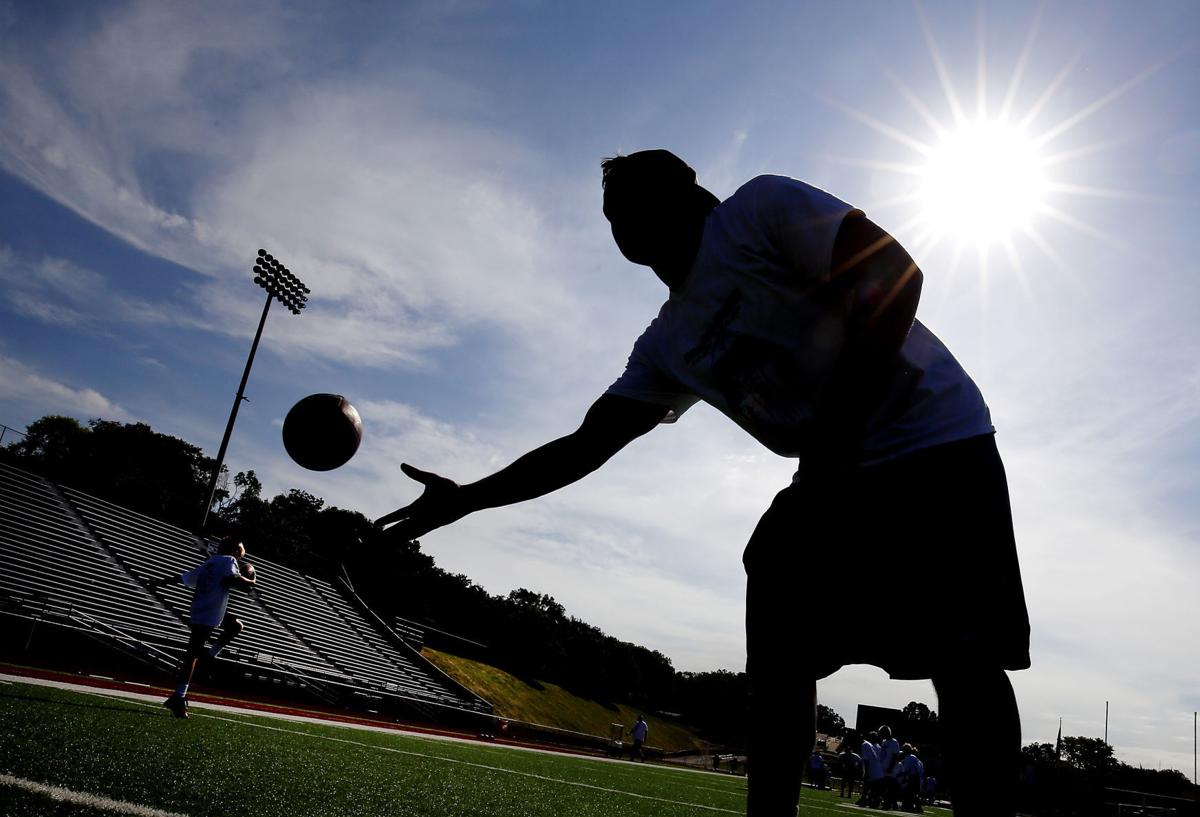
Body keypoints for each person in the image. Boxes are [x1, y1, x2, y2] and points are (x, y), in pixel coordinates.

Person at [375, 149, 1030, 816]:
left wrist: (835, 440)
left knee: (964, 655)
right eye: (612, 213)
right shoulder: (666, 343)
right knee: (777, 596)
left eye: (632, 200)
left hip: (936, 439)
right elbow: (586, 445)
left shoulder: (759, 210)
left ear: (686, 189)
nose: (621, 220)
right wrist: (467, 498)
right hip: (836, 472)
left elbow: (893, 272)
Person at [148, 536, 256, 718]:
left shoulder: (210, 562)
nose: (242, 553)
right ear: (236, 550)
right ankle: (179, 696)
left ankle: (208, 657)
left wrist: (160, 582)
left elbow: (184, 578)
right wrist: (252, 581)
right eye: (241, 549)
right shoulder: (229, 560)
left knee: (235, 626)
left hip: (201, 609)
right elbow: (233, 579)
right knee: (193, 655)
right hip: (210, 613)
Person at [878, 724, 902, 809]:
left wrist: (891, 767)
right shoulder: (884, 742)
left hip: (890, 770)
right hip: (883, 769)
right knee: (883, 788)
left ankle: (888, 803)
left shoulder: (894, 742)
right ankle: (891, 804)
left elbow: (895, 756)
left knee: (887, 788)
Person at [859, 731, 884, 808]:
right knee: (874, 790)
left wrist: (866, 772)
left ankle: (865, 799)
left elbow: (866, 760)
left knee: (867, 786)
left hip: (872, 770)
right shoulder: (879, 747)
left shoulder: (866, 745)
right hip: (879, 771)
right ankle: (871, 800)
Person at [897, 744, 925, 813]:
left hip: (913, 778)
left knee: (910, 793)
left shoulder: (909, 758)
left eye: (904, 750)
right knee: (911, 793)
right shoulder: (913, 757)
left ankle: (913, 807)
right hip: (916, 778)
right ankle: (911, 806)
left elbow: (906, 770)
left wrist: (900, 776)